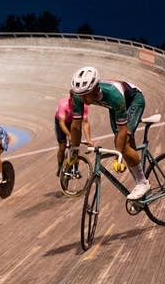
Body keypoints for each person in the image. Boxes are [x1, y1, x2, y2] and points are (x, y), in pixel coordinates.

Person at [67, 66, 150, 200]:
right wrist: (74, 151)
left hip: (133, 100)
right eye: (79, 94)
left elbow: (123, 130)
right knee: (122, 146)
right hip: (114, 107)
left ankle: (143, 183)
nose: (81, 98)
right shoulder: (78, 95)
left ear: (94, 90)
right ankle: (141, 189)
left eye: (85, 95)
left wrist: (119, 154)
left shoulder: (113, 95)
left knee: (123, 146)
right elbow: (76, 126)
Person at [55, 91, 94, 176]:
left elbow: (85, 122)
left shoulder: (83, 106)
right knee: (62, 146)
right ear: (71, 97)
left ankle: (75, 168)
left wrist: (89, 139)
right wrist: (69, 135)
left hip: (74, 121)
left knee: (76, 145)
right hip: (62, 122)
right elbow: (61, 123)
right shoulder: (63, 105)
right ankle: (60, 166)